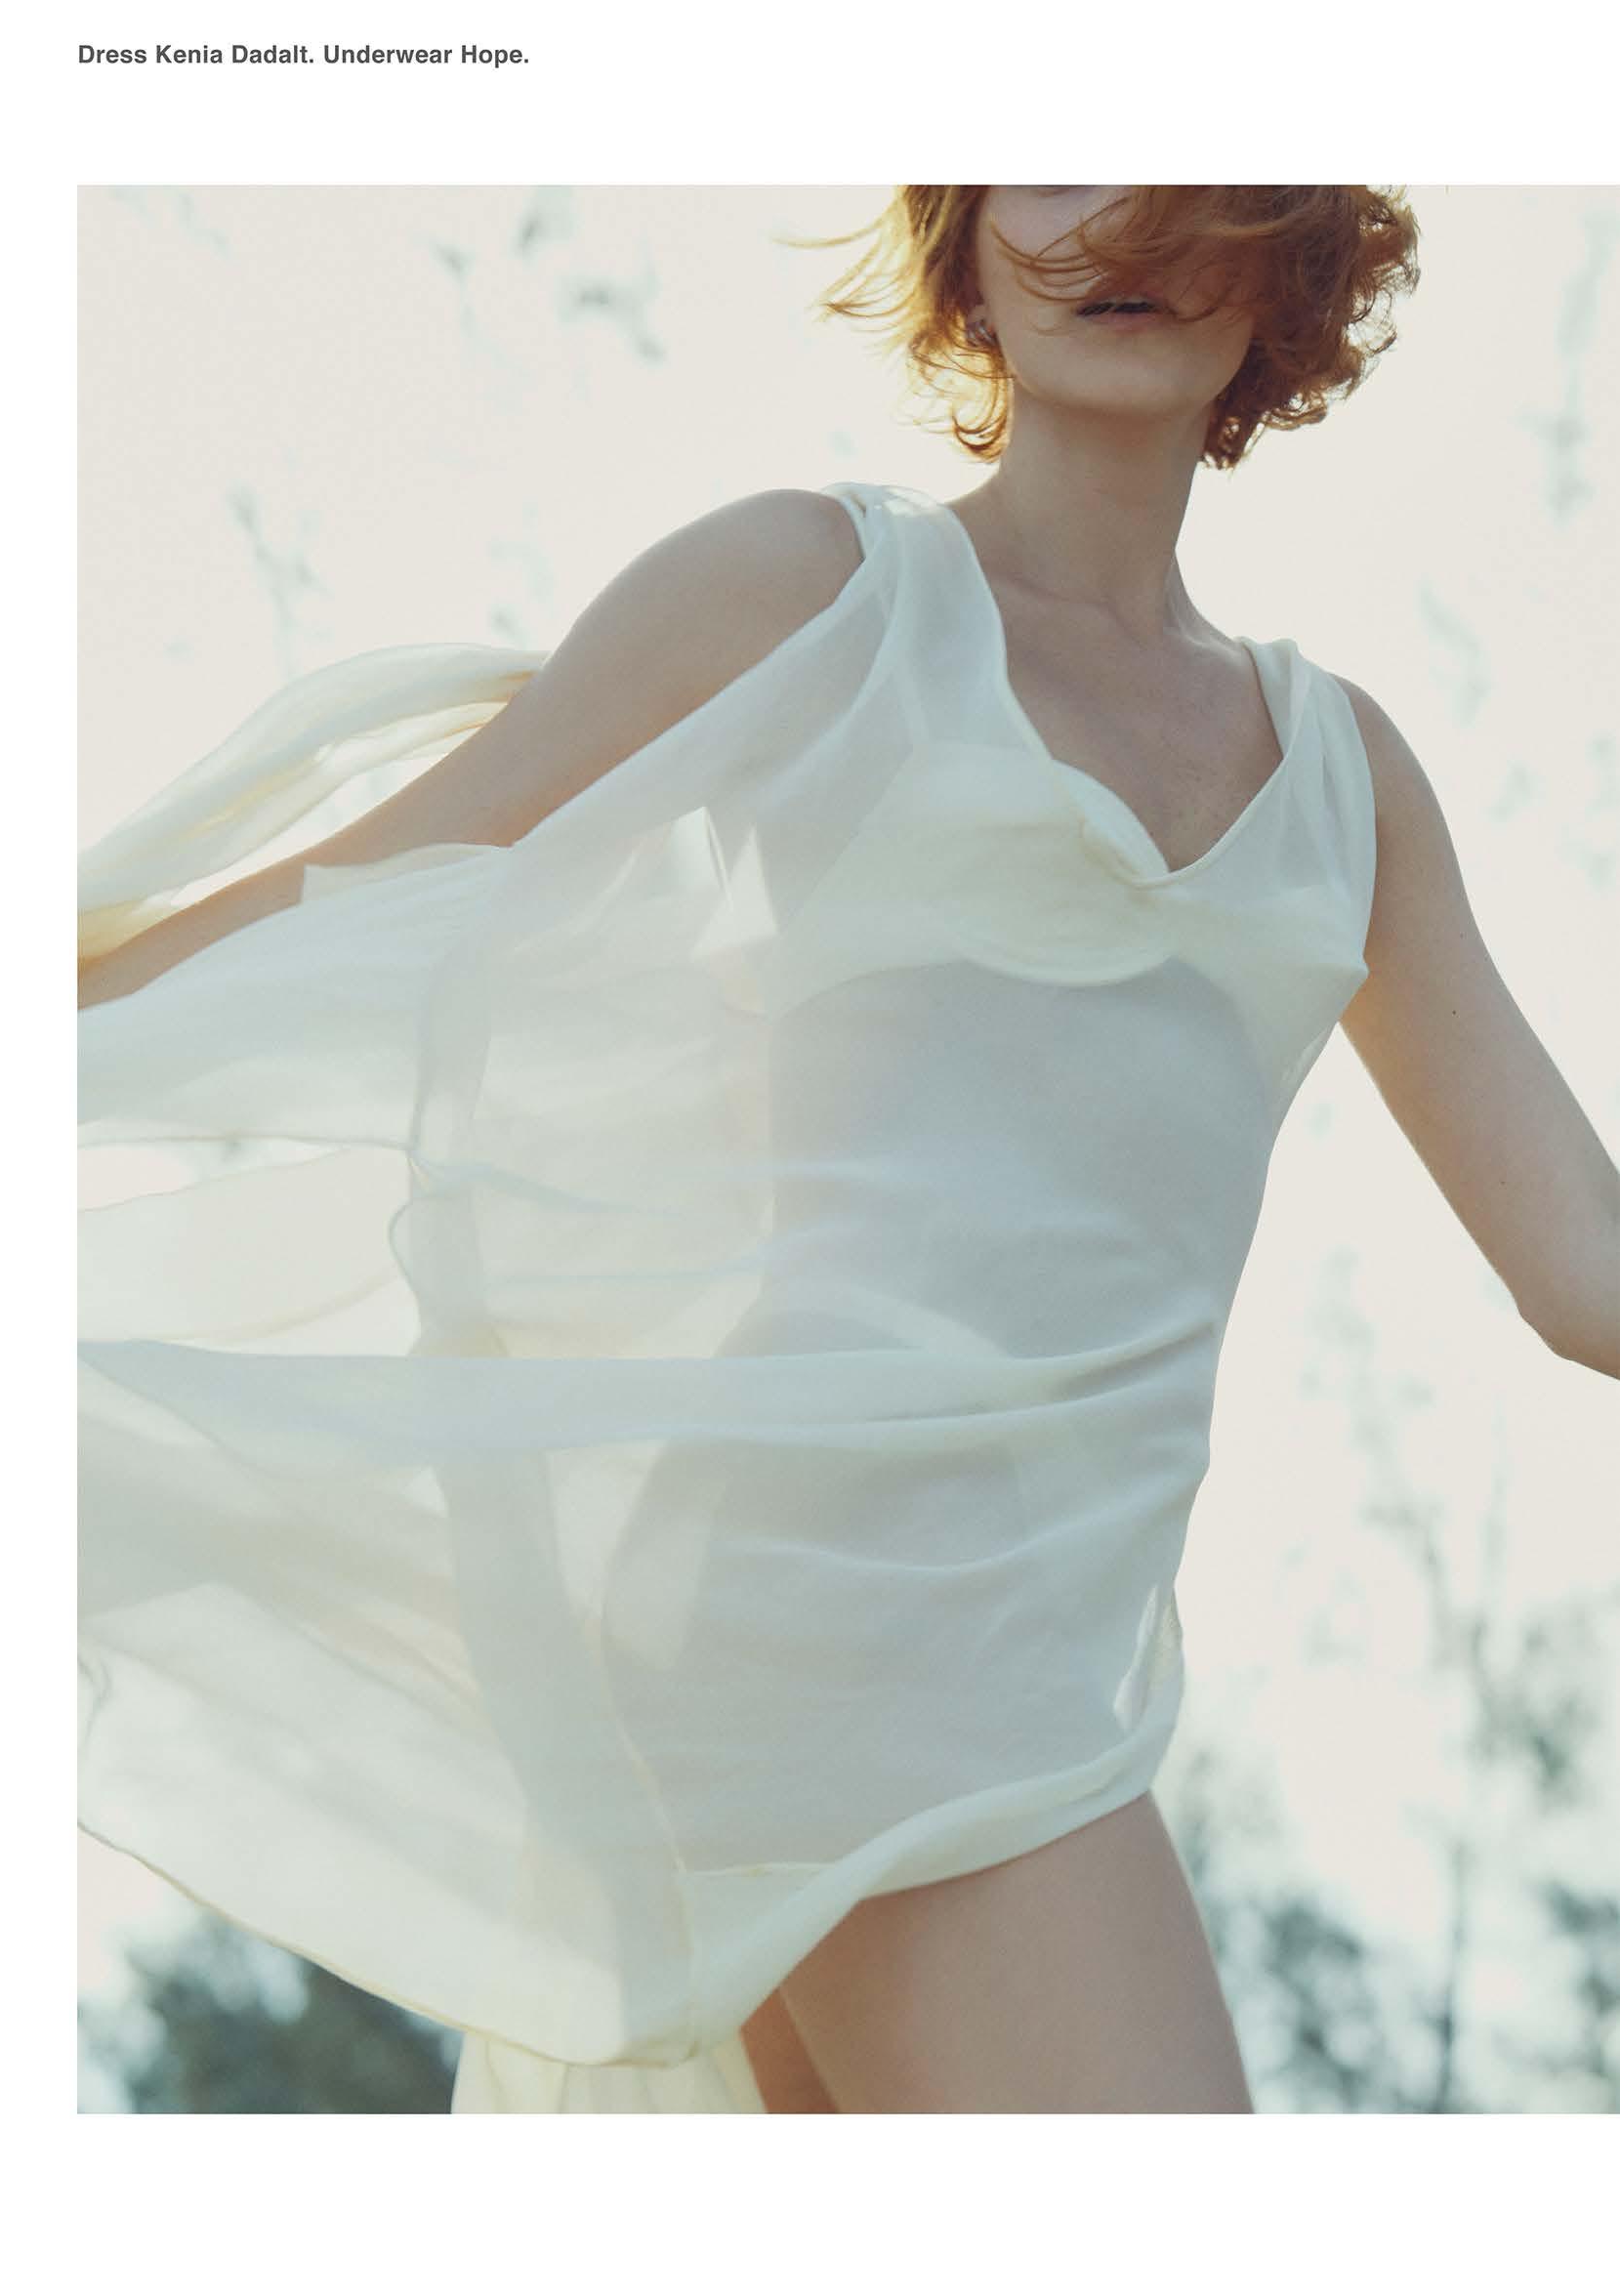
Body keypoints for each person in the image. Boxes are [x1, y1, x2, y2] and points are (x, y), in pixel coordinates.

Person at [78, 187, 1620, 2113]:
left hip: (1023, 1651)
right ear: (960, 238)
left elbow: (1583, 1270)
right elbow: (375, 881)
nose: (1122, 222)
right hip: (832, 1602)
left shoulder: (1350, 784)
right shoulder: (814, 596)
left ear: (1294, 258)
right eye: (1052, 161)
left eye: (1194, 169)